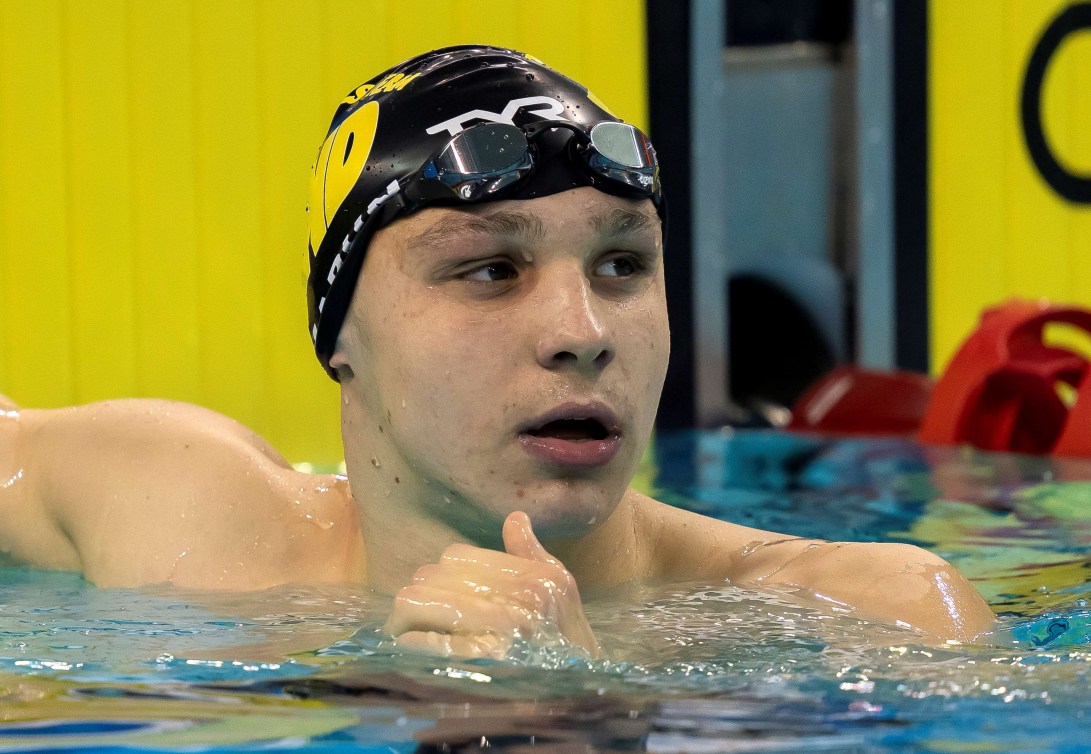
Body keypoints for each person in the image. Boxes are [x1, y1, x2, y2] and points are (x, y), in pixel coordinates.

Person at [0, 46, 994, 658]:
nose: (581, 333)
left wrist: (582, 703)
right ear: (339, 337)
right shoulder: (169, 507)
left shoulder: (877, 617)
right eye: (488, 272)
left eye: (619, 265)